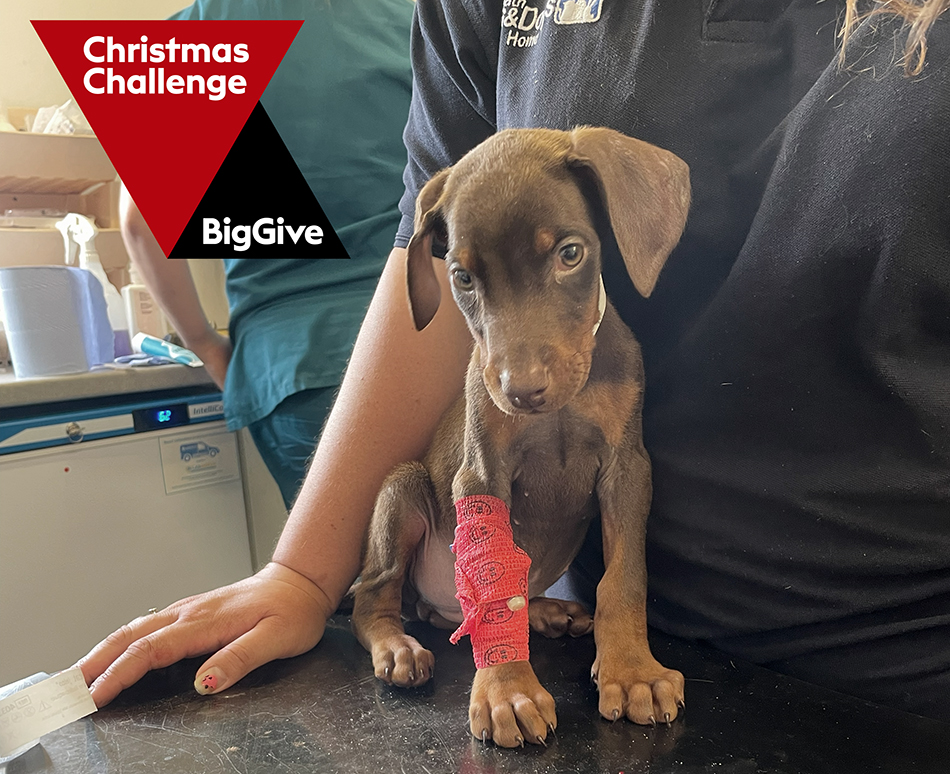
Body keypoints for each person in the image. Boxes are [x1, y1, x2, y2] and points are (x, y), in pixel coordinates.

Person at [79, 0, 950, 724]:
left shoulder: (206, 22)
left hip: (902, 652)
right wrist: (306, 571)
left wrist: (209, 346)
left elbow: (139, 213)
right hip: (594, 660)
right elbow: (431, 238)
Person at [119, 0, 415, 511]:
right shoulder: (411, 18)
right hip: (426, 336)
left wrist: (205, 345)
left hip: (292, 367)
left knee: (338, 581)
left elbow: (139, 224)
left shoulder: (192, 38)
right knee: (478, 567)